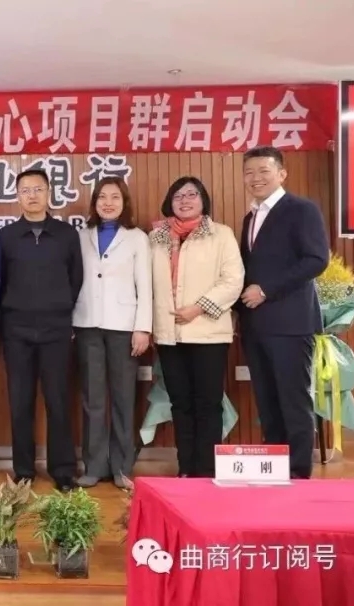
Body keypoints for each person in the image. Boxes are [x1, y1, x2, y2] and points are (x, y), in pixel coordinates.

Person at [236, 146, 330, 479]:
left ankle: (299, 473)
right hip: (255, 326)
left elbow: (316, 259)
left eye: (264, 171)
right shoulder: (250, 217)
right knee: (268, 403)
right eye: (249, 172)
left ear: (282, 174)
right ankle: (274, 471)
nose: (256, 178)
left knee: (293, 402)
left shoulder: (301, 209)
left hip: (291, 325)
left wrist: (266, 289)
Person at [148, 176, 243, 478]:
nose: (185, 200)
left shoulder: (221, 234)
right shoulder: (156, 237)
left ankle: (206, 469)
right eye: (178, 196)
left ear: (203, 200)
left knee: (208, 403)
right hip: (169, 334)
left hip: (208, 333)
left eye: (192, 194)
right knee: (180, 403)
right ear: (169, 202)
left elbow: (233, 281)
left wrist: (197, 308)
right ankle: (186, 468)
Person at [0, 168, 82, 492]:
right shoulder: (6, 236)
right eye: (25, 190)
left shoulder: (66, 234)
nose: (32, 196)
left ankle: (63, 470)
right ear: (17, 196)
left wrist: (59, 307)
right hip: (16, 330)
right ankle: (24, 470)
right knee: (20, 402)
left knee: (58, 401)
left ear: (49, 193)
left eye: (38, 189)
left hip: (56, 330)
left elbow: (76, 278)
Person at [71, 177, 152, 489]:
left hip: (124, 327)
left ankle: (122, 467)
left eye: (115, 197)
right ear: (94, 203)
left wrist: (142, 328)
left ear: (124, 202)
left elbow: (145, 286)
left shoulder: (137, 238)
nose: (108, 203)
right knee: (92, 399)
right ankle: (93, 465)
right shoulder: (82, 236)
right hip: (87, 324)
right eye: (102, 197)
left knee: (123, 398)